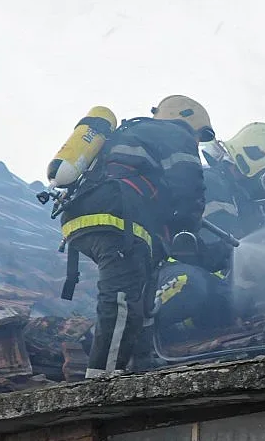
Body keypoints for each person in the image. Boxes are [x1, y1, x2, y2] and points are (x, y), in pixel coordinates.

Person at [59, 95, 212, 379]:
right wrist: (188, 228)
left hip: (83, 217)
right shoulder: (175, 133)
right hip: (118, 218)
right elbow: (189, 185)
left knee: (140, 297)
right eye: (198, 136)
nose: (196, 142)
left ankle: (141, 367)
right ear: (189, 122)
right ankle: (101, 380)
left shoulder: (131, 134)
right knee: (121, 298)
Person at [152, 122, 265, 343]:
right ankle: (130, 332)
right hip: (166, 274)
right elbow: (215, 247)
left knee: (240, 301)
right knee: (189, 284)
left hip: (209, 285)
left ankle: (175, 336)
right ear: (249, 162)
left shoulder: (248, 206)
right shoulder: (209, 183)